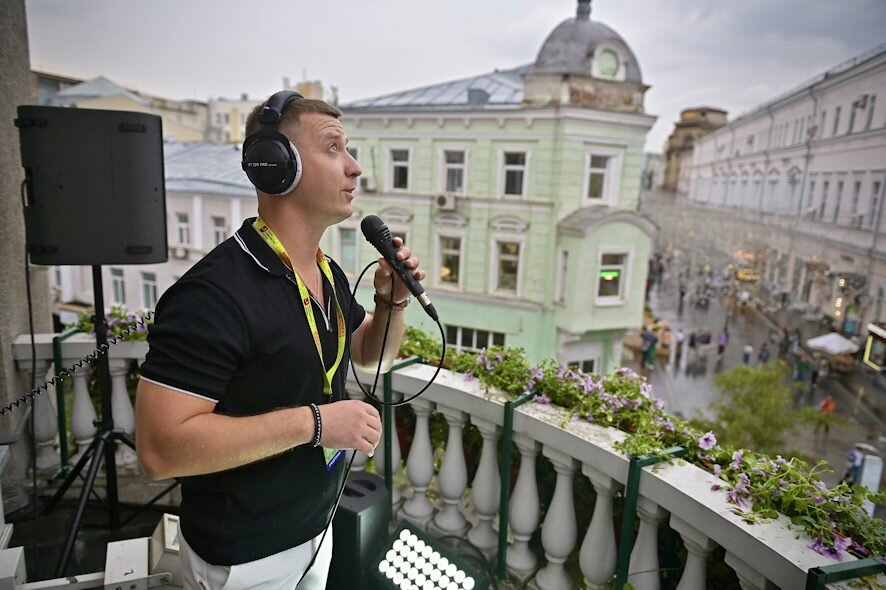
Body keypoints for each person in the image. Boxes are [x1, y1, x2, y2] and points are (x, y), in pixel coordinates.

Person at [135, 92, 426, 589]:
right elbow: (159, 452)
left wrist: (390, 303)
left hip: (314, 530)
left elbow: (368, 355)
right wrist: (317, 422)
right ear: (276, 165)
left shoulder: (328, 273)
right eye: (334, 148)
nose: (354, 168)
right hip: (243, 560)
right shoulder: (213, 293)